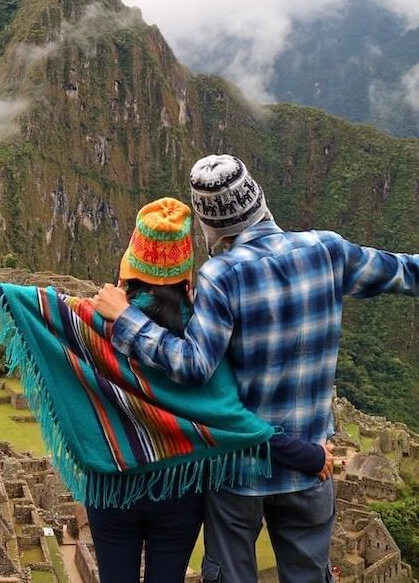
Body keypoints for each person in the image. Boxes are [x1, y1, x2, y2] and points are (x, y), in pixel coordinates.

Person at [0, 198, 328, 582]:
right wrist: (308, 456)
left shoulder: (90, 320)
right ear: (186, 276)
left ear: (129, 266)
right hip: (178, 491)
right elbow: (234, 421)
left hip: (110, 489)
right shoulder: (200, 335)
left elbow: (25, 299)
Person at [91, 156, 419, 583]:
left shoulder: (221, 276)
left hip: (238, 474)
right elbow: (408, 272)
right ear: (261, 201)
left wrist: (126, 319)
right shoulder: (328, 249)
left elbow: (193, 366)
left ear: (209, 227)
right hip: (309, 465)